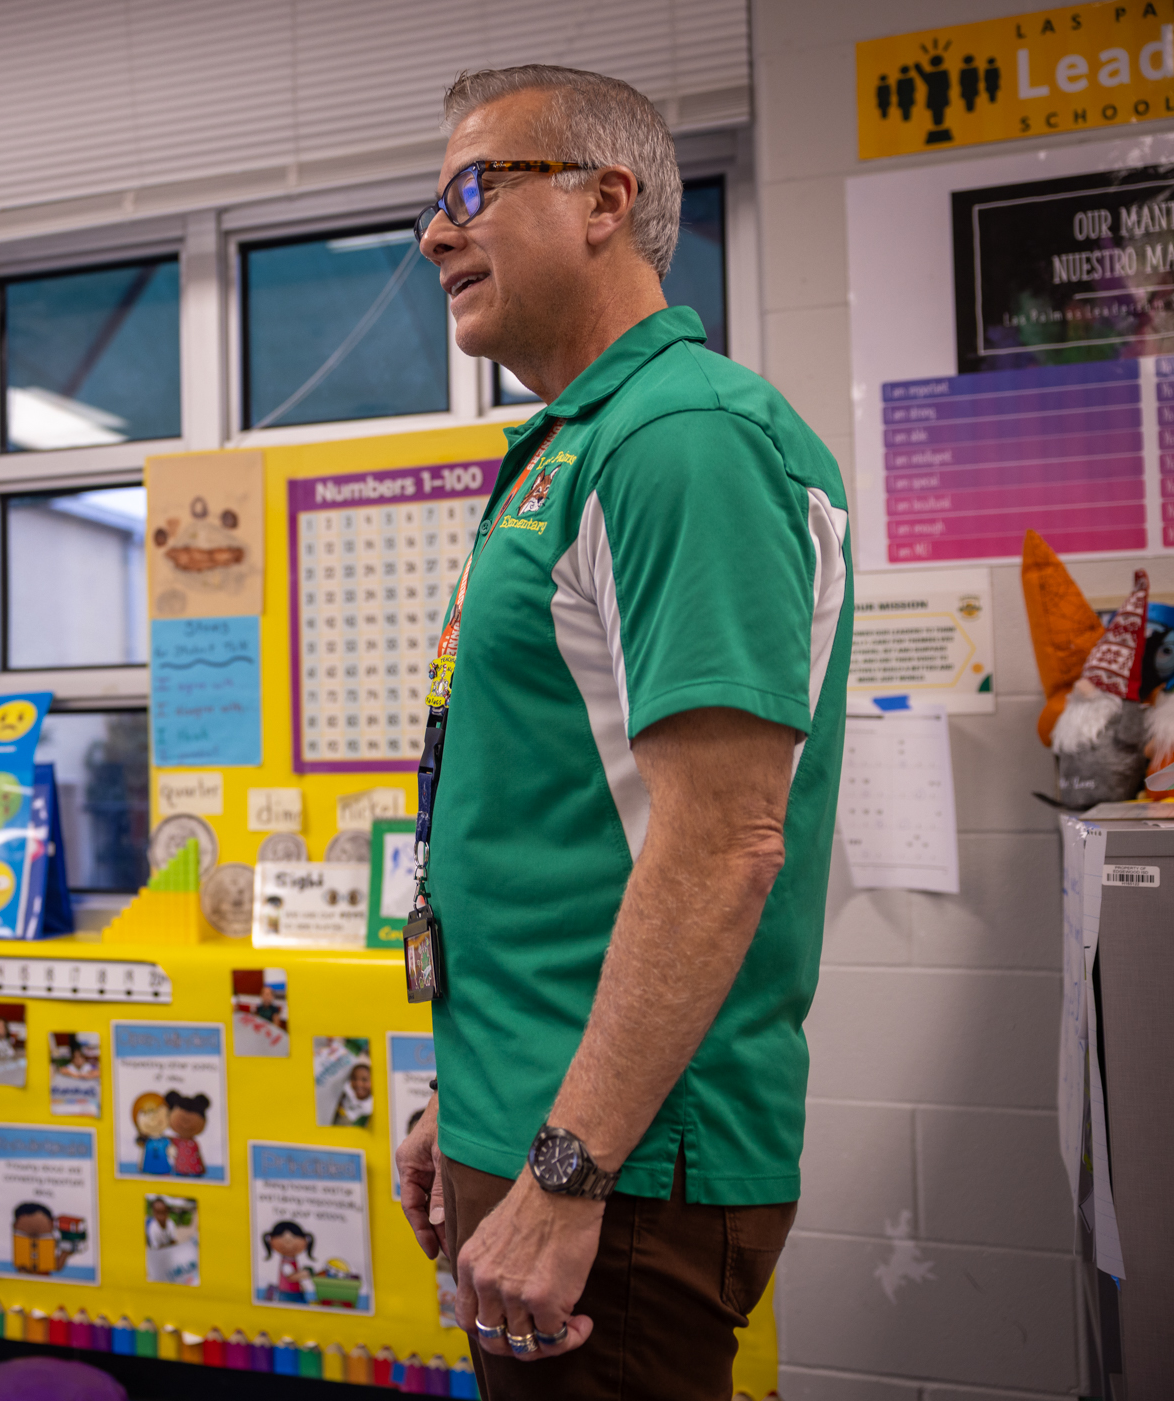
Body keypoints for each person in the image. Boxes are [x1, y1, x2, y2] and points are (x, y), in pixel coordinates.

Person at [395, 65, 850, 1400]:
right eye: (434, 200)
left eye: (475, 188)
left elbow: (722, 846)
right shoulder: (572, 443)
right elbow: (553, 833)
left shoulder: (683, 438)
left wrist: (566, 1167)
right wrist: (467, 1105)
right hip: (544, 1123)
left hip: (624, 1170)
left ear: (607, 201)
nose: (435, 233)